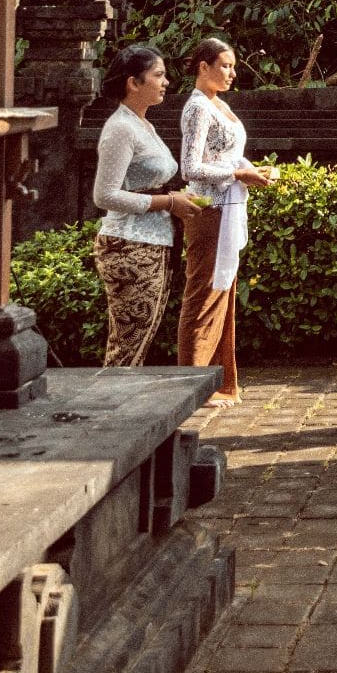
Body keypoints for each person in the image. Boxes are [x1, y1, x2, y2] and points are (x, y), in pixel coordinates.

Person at [90, 44, 201, 366]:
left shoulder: (142, 125)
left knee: (136, 344)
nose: (166, 82)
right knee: (127, 346)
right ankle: (109, 413)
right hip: (129, 246)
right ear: (133, 83)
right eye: (158, 75)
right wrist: (168, 201)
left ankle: (119, 411)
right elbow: (105, 195)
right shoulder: (120, 129)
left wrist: (179, 199)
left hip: (154, 243)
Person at [177, 37, 274, 405]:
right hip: (209, 208)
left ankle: (216, 381)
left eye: (233, 66)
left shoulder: (219, 104)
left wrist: (250, 170)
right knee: (204, 294)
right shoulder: (198, 107)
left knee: (222, 295)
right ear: (203, 66)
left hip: (228, 207)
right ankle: (193, 384)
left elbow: (226, 157)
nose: (232, 73)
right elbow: (191, 167)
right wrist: (237, 176)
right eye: (225, 65)